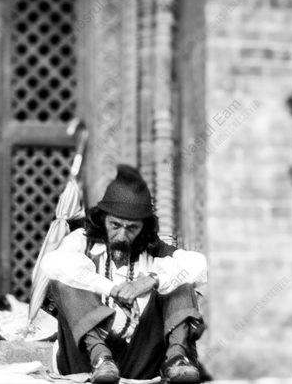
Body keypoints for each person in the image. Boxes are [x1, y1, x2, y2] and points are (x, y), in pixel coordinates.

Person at [40, 164, 207, 383]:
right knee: (64, 282)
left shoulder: (156, 252)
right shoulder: (81, 240)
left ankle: (176, 359)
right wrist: (110, 288)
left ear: (143, 228)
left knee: (180, 281)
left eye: (132, 228)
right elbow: (52, 263)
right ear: (103, 219)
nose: (121, 234)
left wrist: (152, 280)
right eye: (115, 225)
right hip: (84, 359)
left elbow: (200, 265)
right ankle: (101, 357)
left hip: (141, 360)